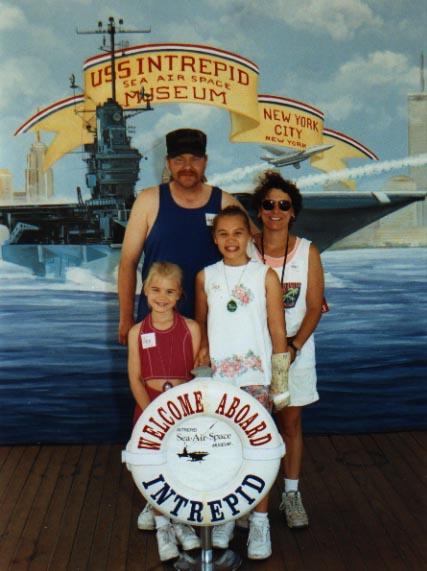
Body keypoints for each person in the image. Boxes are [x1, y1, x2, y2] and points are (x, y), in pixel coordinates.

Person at [194, 205, 290, 560]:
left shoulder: (265, 275)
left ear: (251, 235)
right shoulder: (206, 276)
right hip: (220, 380)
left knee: (258, 450)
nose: (230, 240)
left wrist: (279, 384)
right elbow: (202, 327)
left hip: (257, 380)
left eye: (237, 233)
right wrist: (201, 355)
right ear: (214, 238)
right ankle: (227, 515)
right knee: (223, 448)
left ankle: (259, 521)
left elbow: (278, 333)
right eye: (222, 234)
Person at [118, 128, 249, 345]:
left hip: (213, 326)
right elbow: (128, 263)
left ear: (205, 161)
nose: (187, 167)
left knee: (210, 381)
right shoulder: (149, 201)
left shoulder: (224, 202)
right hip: (157, 321)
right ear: (168, 162)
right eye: (179, 159)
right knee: (155, 379)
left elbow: (258, 246)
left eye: (195, 159)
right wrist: (125, 317)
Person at [251, 171, 324, 529]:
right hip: (253, 353)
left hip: (294, 351)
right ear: (259, 210)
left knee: (290, 423)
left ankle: (291, 493)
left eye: (283, 205)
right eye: (268, 204)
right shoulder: (247, 248)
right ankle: (252, 496)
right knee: (251, 425)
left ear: (293, 211)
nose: (275, 211)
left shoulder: (308, 251)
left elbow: (313, 307)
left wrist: (293, 347)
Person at [127, 261, 201, 562]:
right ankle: (163, 526)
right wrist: (152, 414)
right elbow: (134, 377)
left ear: (179, 295)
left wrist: (181, 413)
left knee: (180, 465)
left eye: (169, 291)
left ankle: (181, 521)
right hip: (149, 408)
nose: (162, 296)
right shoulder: (136, 332)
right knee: (154, 467)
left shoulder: (191, 328)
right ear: (145, 291)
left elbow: (197, 374)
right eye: (155, 289)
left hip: (182, 410)